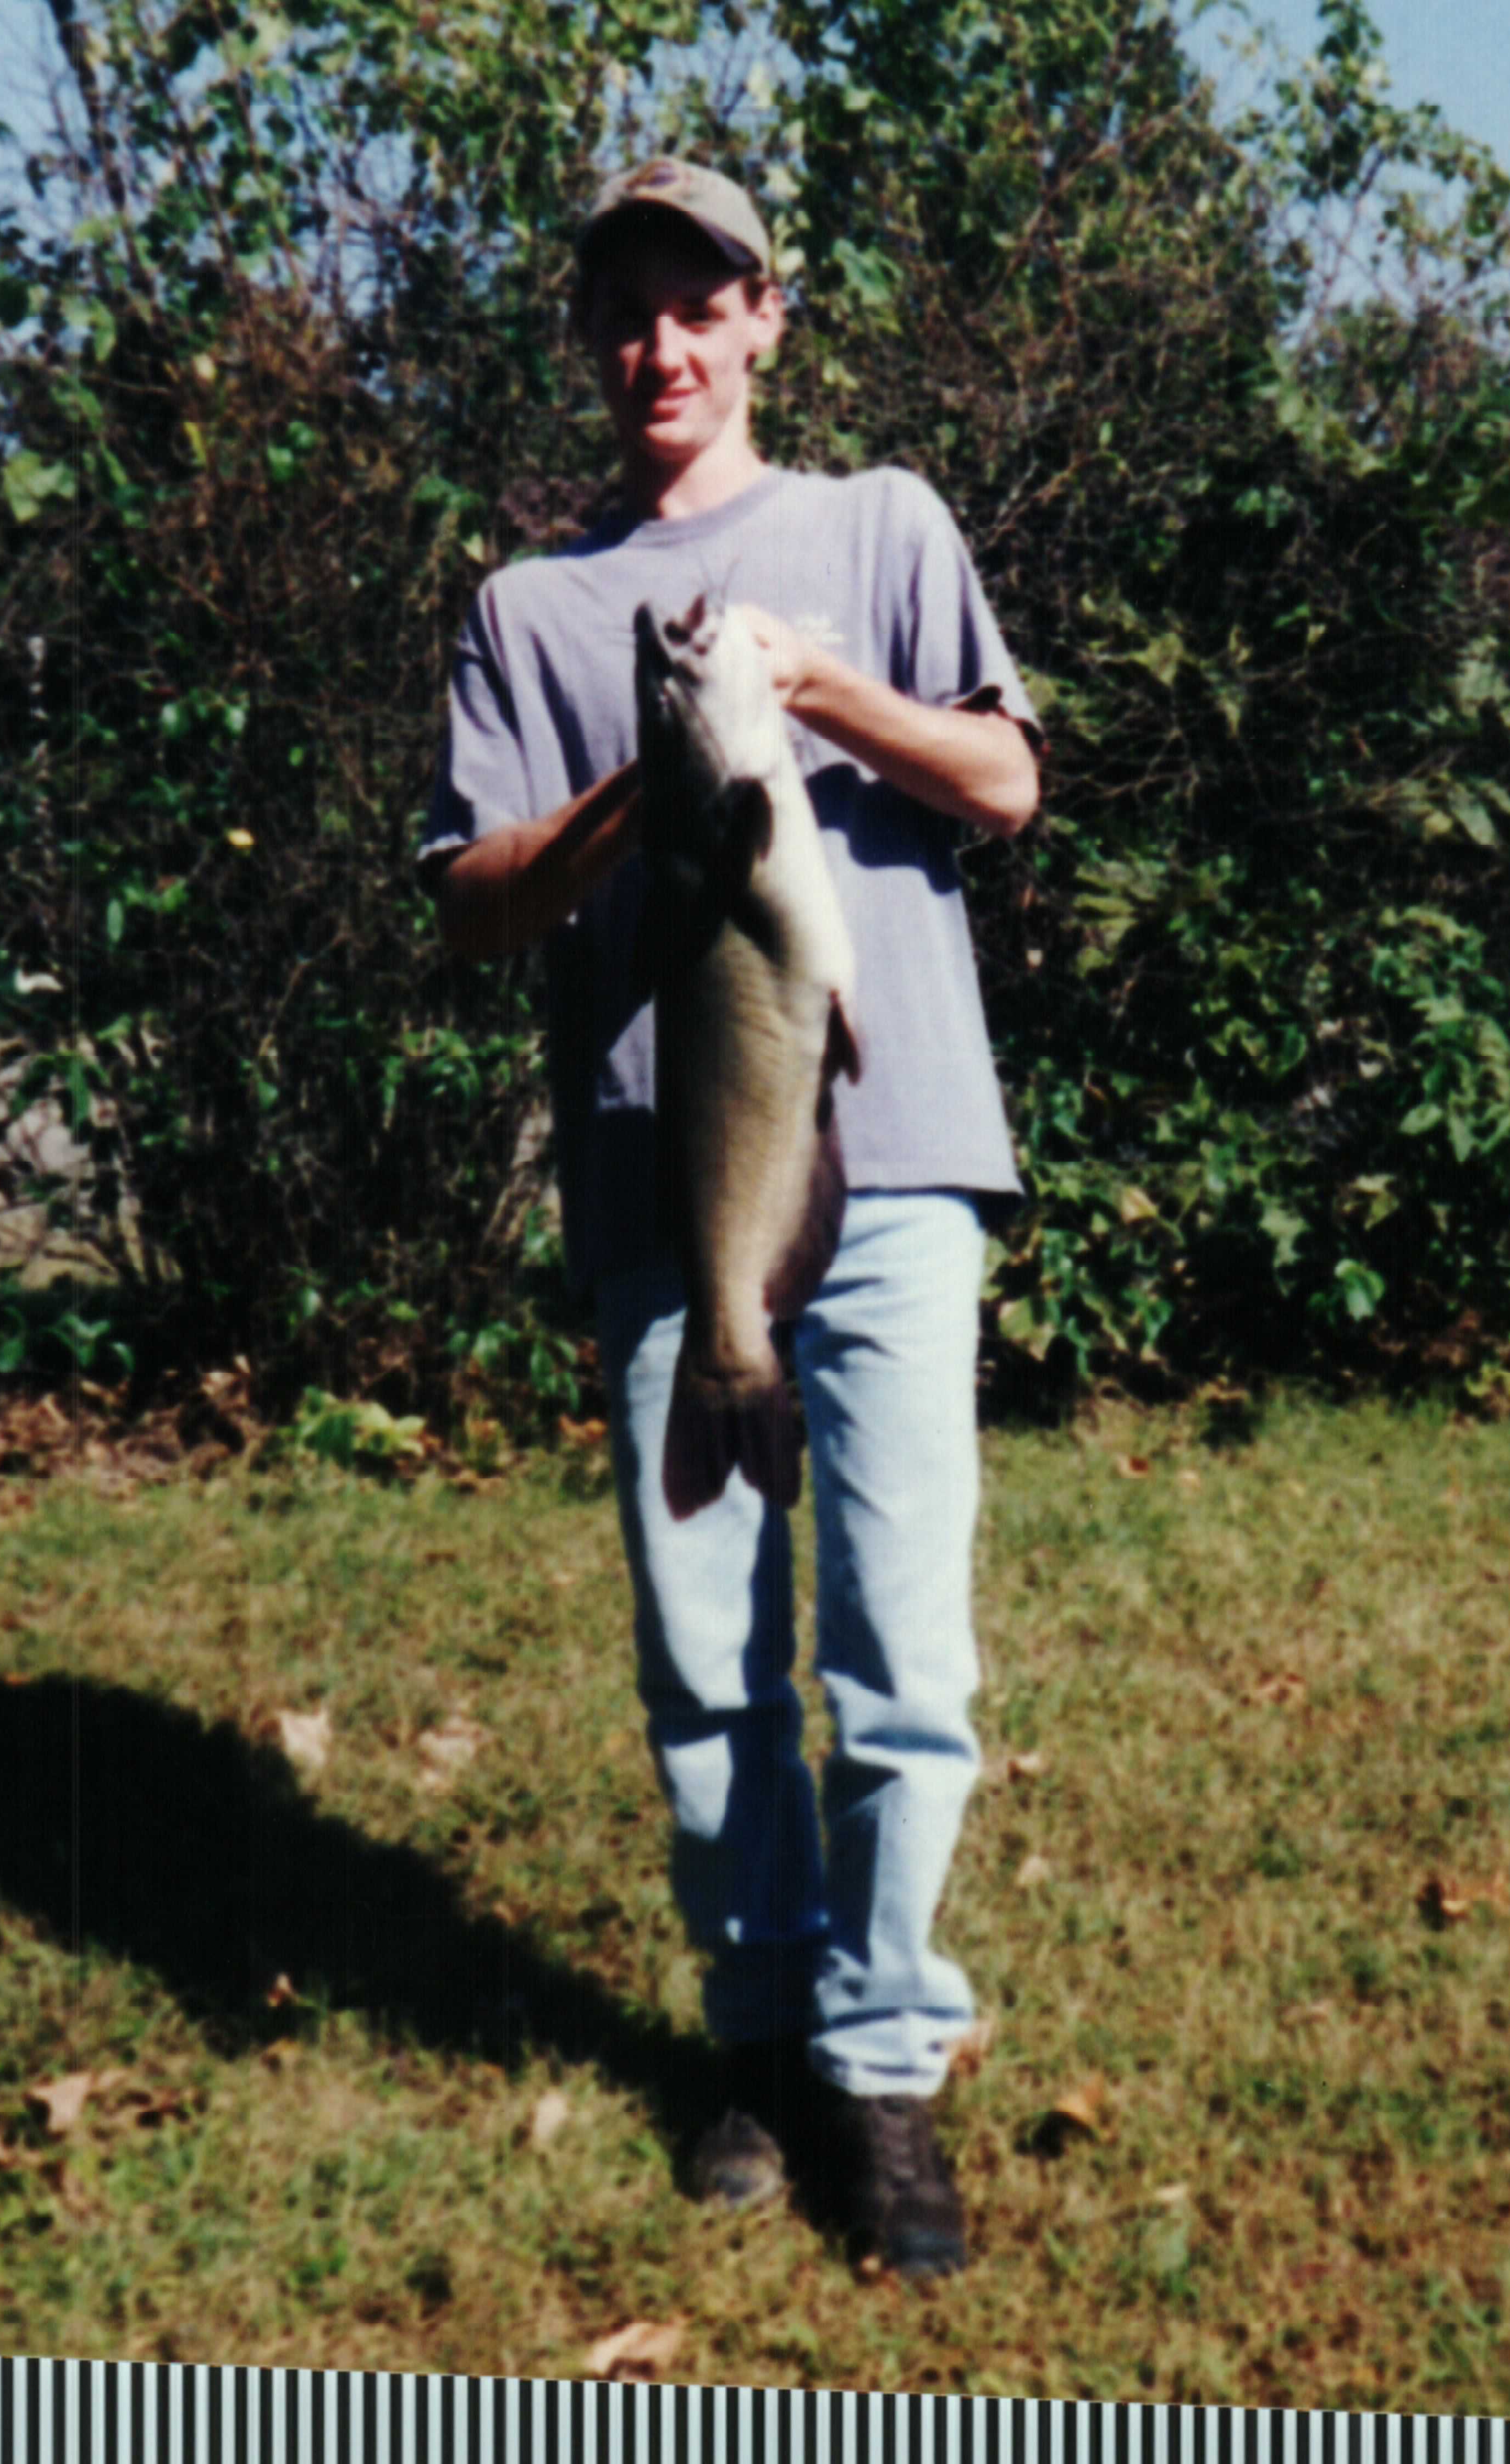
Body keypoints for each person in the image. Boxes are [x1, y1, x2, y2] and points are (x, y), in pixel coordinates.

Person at [415, 156, 1041, 2283]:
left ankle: (883, 2064)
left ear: (769, 314)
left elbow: (1006, 784)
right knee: (705, 1662)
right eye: (624, 312)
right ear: (587, 341)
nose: (659, 348)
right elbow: (470, 905)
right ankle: (758, 2034)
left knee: (901, 1652)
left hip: (902, 1163)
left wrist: (811, 692)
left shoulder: (884, 525)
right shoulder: (530, 610)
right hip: (666, 1200)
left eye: (698, 306)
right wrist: (663, 779)